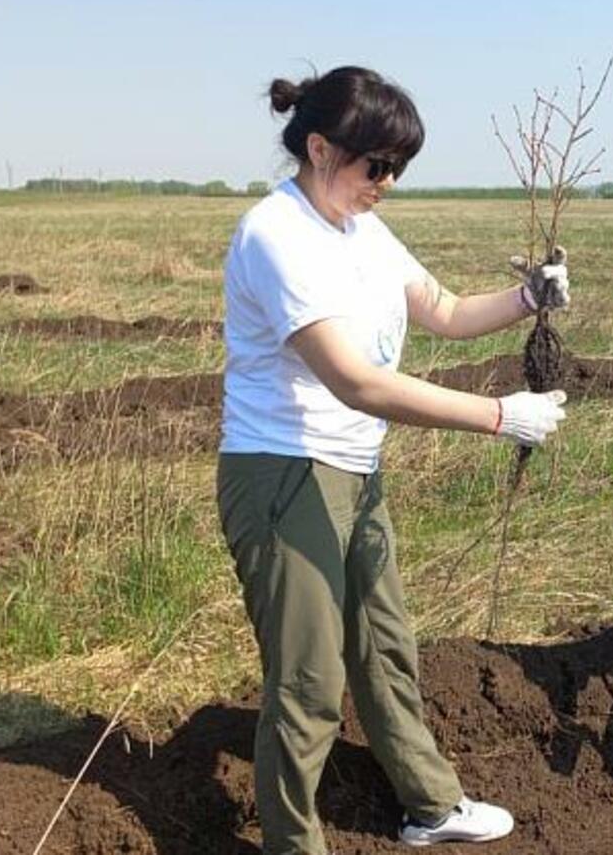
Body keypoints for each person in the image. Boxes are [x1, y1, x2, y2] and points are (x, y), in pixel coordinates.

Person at [216, 66, 570, 854]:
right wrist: (499, 416)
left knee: (383, 646)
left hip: (352, 472)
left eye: (398, 168)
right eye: (377, 165)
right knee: (307, 683)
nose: (388, 183)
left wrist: (527, 299)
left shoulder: (361, 227)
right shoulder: (277, 235)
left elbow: (441, 310)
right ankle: (291, 845)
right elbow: (355, 381)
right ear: (319, 148)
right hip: (283, 473)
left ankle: (430, 806)